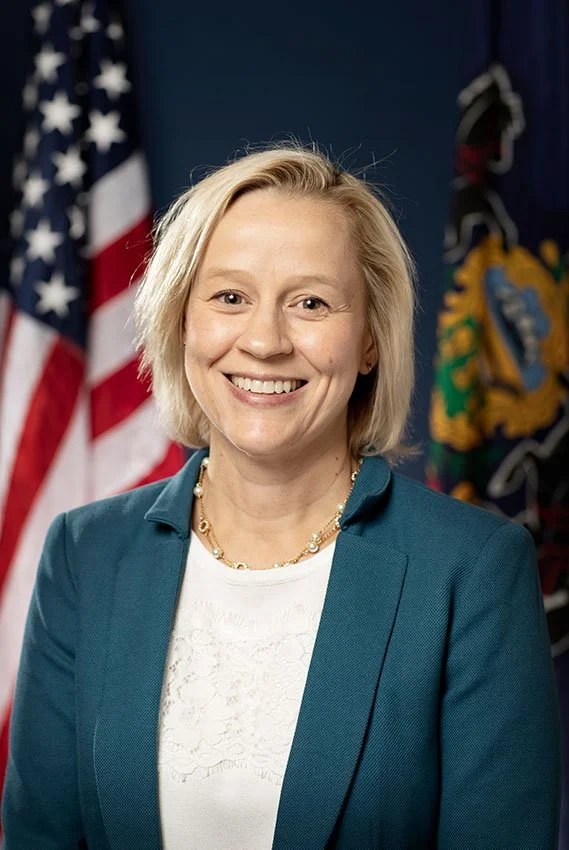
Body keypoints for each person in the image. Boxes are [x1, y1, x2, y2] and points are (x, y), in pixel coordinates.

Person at [1, 144, 561, 849]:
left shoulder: (471, 570)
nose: (264, 341)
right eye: (230, 297)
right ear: (182, 323)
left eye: (310, 303)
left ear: (368, 342)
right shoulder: (85, 554)